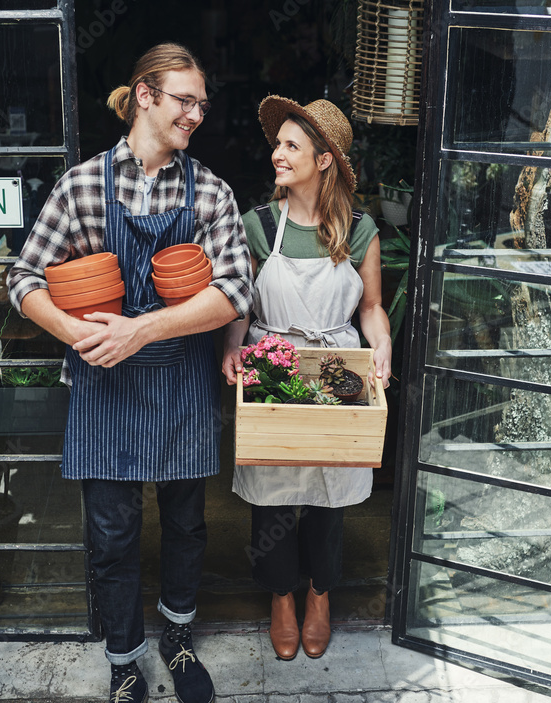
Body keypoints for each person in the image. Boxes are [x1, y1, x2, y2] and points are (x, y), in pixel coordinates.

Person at [7, 43, 252, 703]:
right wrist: (76, 332)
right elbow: (23, 277)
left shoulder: (210, 192)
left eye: (202, 103)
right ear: (145, 95)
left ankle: (176, 636)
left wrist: (140, 329)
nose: (197, 114)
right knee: (112, 535)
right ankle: (123, 660)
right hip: (103, 383)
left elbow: (233, 290)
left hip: (180, 382)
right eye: (184, 100)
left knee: (187, 525)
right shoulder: (83, 185)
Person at [221, 96, 392, 661]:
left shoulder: (360, 230)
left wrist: (382, 351)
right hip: (272, 364)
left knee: (328, 490)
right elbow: (240, 304)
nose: (277, 154)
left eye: (291, 146)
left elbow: (370, 307)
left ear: (324, 161)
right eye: (278, 144)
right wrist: (231, 348)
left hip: (337, 369)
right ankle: (281, 597)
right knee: (273, 492)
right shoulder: (258, 225)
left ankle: (319, 593)